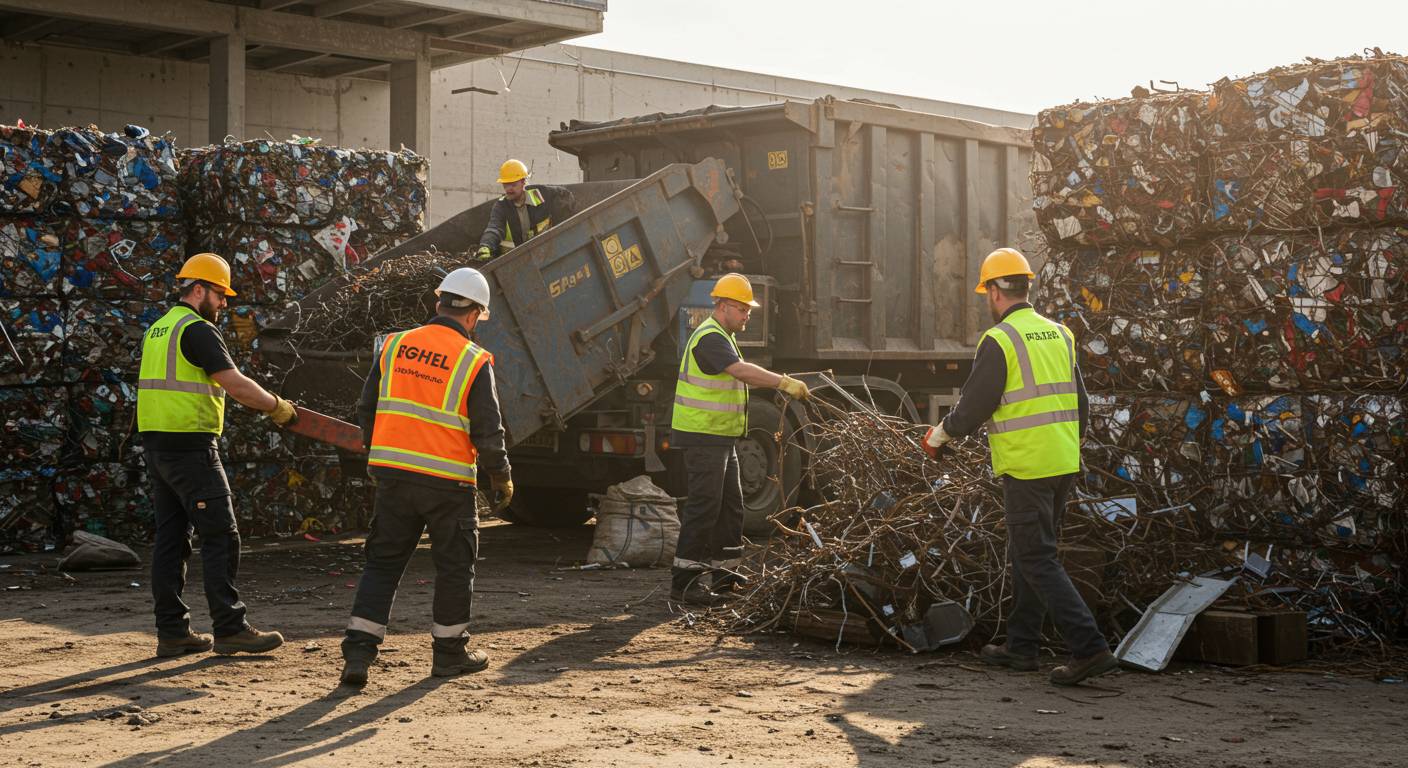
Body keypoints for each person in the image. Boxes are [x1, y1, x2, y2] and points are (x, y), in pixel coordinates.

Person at [922, 247, 1115, 686]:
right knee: (1028, 553)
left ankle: (1089, 647)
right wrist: (1064, 444)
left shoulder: (1001, 340)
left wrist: (939, 436)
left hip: (1027, 465)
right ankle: (1021, 646)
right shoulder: (1060, 333)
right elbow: (1081, 404)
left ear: (993, 291)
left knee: (1036, 556)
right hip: (1062, 461)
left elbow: (973, 407)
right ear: (1027, 286)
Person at [340, 267, 514, 686]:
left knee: (382, 564)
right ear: (473, 314)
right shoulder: (474, 360)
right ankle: (450, 655)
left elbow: (367, 408)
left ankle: (359, 656)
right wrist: (501, 477)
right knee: (454, 568)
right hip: (448, 484)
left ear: (439, 302)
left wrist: (375, 453)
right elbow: (487, 429)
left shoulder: (396, 344)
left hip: (394, 478)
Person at [136, 252, 296, 658]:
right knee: (221, 535)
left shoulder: (159, 328)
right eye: (220, 294)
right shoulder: (196, 330)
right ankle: (230, 627)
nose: (224, 303)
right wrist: (276, 405)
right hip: (190, 448)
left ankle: (172, 633)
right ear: (199, 289)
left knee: (171, 541)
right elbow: (235, 384)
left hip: (158, 447)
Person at [669, 273, 810, 606]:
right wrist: (784, 382)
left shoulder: (722, 336)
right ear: (724, 305)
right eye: (743, 309)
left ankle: (726, 575)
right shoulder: (710, 338)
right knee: (705, 506)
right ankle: (685, 582)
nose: (748, 316)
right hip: (704, 436)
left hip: (721, 438)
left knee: (731, 507)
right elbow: (741, 371)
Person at [474, 159, 573, 261]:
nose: (509, 189)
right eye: (506, 185)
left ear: (523, 182)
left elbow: (564, 195)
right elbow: (495, 228)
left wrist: (563, 230)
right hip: (519, 260)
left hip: (548, 252)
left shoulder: (541, 195)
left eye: (513, 185)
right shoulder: (502, 206)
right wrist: (486, 245)